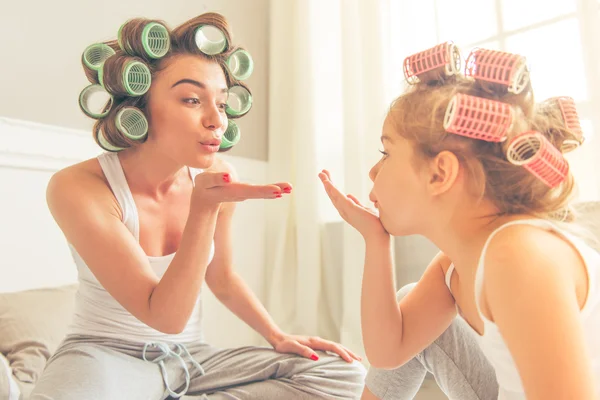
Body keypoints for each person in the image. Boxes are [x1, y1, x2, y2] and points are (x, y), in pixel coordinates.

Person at [31, 12, 365, 400]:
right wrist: (203, 210)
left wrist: (276, 334)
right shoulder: (78, 188)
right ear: (140, 105)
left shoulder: (217, 175)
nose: (216, 121)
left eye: (221, 104)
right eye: (192, 100)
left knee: (342, 373)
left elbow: (221, 277)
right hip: (104, 356)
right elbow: (165, 316)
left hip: (190, 360)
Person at [319, 42, 600, 400]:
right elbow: (388, 353)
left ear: (440, 174)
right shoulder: (456, 267)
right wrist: (374, 240)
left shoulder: (519, 256)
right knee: (408, 299)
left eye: (386, 153)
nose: (373, 171)